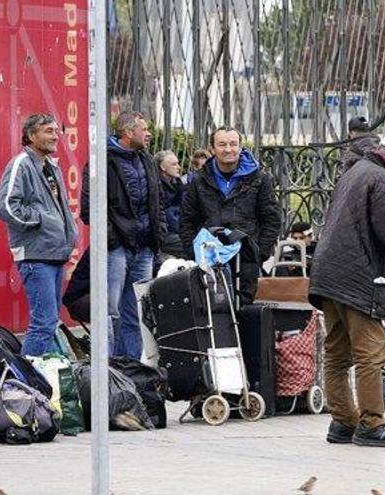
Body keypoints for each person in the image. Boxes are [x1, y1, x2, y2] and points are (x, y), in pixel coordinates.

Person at [308, 131, 385, 449]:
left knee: (337, 351)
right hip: (359, 276)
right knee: (371, 351)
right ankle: (372, 423)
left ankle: (343, 421)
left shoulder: (355, 170)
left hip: (329, 271)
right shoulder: (384, 179)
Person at [82, 111, 165, 359]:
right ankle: (107, 370)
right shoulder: (102, 161)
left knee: (136, 313)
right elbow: (90, 208)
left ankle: (130, 371)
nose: (148, 133)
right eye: (143, 128)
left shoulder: (147, 160)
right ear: (129, 132)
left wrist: (157, 233)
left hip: (144, 249)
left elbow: (157, 201)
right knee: (109, 311)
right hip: (116, 249)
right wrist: (112, 240)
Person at [0, 114, 78, 356]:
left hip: (53, 254)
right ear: (32, 136)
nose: (55, 136)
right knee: (43, 323)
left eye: (56, 130)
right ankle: (23, 383)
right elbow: (6, 206)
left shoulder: (51, 166)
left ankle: (40, 379)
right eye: (48, 131)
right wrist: (41, 220)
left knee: (50, 322)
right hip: (35, 256)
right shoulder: (21, 164)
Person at [179, 126, 281, 305]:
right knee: (212, 311)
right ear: (212, 149)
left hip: (246, 258)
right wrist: (193, 252)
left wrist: (259, 252)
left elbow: (271, 218)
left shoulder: (260, 178)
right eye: (222, 144)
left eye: (233, 144)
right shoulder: (199, 180)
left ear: (241, 147)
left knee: (243, 312)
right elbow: (187, 219)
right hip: (209, 258)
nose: (228, 149)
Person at [155, 150, 186, 259]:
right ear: (162, 167)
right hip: (165, 234)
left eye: (178, 163)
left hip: (178, 231)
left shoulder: (178, 184)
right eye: (174, 164)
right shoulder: (156, 186)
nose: (178, 167)